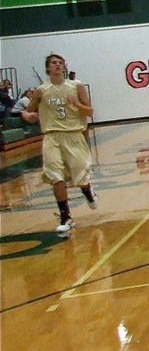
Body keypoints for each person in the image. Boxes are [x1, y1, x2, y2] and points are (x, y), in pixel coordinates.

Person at [20, 53, 97, 236]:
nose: (57, 65)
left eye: (60, 63)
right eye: (53, 63)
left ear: (64, 67)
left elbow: (90, 111)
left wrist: (76, 103)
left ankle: (88, 191)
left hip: (74, 135)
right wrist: (27, 116)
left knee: (80, 176)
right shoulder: (41, 90)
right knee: (56, 176)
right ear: (48, 68)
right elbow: (26, 111)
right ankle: (65, 216)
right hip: (51, 136)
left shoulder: (76, 86)